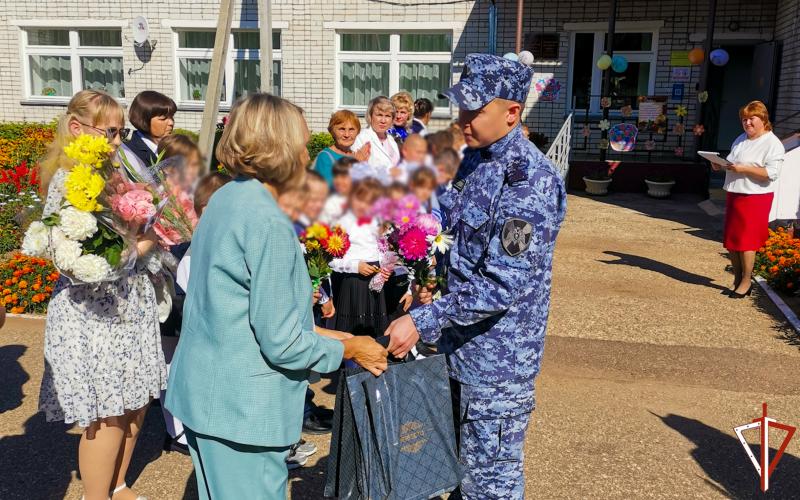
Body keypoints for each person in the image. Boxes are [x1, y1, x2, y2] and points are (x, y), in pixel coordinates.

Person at [165, 94, 387, 500]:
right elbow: (283, 342)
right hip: (242, 408)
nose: (306, 154)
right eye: (301, 143)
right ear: (278, 147)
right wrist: (350, 349)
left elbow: (239, 308)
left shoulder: (228, 196)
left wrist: (335, 338)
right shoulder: (267, 222)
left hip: (208, 394)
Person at [384, 53, 567, 499]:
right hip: (455, 349)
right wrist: (421, 269)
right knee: (453, 471)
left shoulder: (529, 181)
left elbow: (502, 284)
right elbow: (446, 233)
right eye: (462, 106)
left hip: (497, 365)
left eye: (475, 109)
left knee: (488, 485)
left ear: (511, 113)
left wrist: (425, 320)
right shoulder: (474, 161)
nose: (463, 118)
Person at [37, 90, 166, 500]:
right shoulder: (70, 182)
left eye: (120, 131)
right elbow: (76, 264)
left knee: (135, 408)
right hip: (94, 318)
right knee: (107, 417)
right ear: (77, 129)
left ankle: (118, 484)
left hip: (130, 308)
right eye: (109, 132)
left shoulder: (115, 172)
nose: (116, 141)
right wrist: (144, 245)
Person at [715, 100, 785, 298]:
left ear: (763, 119)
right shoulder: (741, 138)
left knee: (747, 242)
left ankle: (746, 281)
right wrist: (720, 165)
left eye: (751, 119)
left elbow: (771, 173)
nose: (747, 123)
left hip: (756, 196)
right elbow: (733, 162)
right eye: (744, 119)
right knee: (732, 241)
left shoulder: (772, 143)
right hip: (735, 192)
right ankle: (737, 279)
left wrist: (744, 168)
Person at [330, 178, 391, 337]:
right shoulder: (344, 222)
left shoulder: (381, 222)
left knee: (374, 332)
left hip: (376, 281)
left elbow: (384, 251)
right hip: (354, 283)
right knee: (352, 333)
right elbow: (331, 260)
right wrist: (356, 266)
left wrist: (386, 269)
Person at [121, 91, 177, 176]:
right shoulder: (129, 151)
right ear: (144, 120)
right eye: (163, 119)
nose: (171, 123)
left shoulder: (172, 145)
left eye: (171, 117)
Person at [313, 110, 369, 187]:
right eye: (342, 129)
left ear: (358, 132)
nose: (347, 134)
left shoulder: (356, 155)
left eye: (351, 129)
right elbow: (328, 189)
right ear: (332, 131)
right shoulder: (325, 156)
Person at [353, 96, 401, 181]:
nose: (383, 120)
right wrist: (389, 172)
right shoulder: (361, 138)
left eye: (387, 116)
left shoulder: (391, 139)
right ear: (370, 116)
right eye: (379, 115)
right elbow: (357, 171)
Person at [320, 157, 356, 225]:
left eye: (344, 176)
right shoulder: (331, 203)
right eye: (336, 176)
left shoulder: (365, 200)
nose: (338, 181)